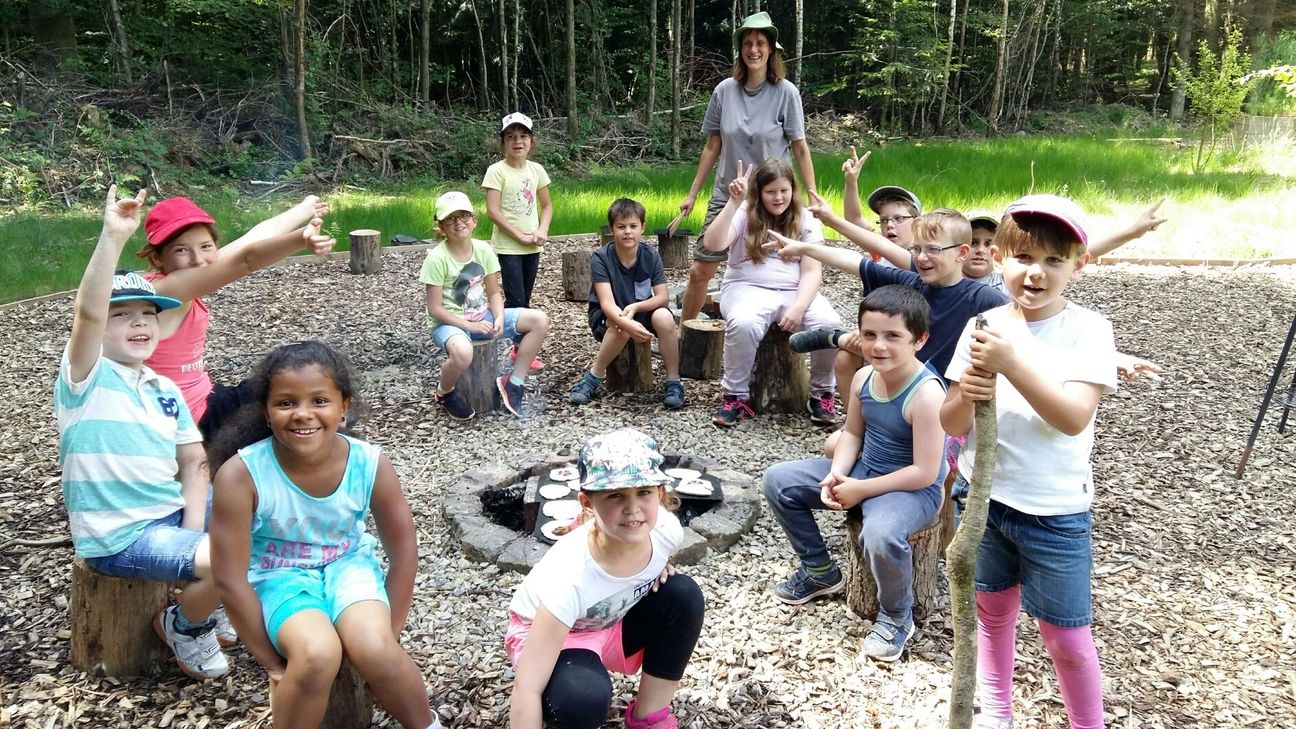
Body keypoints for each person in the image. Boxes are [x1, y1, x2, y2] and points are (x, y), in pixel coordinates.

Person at [940, 195, 1117, 729]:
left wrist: (1013, 364)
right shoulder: (984, 325)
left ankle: (1088, 723)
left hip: (1054, 511)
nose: (1035, 273)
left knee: (1066, 638)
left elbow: (1071, 418)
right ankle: (997, 712)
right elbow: (952, 424)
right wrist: (967, 394)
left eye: (1053, 261)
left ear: (1078, 266)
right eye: (1021, 258)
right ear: (997, 258)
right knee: (992, 616)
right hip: (982, 501)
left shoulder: (1088, 330)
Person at [208, 341, 440, 729]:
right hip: (278, 576)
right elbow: (229, 578)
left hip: (349, 566)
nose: (303, 414)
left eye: (319, 400)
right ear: (266, 410)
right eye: (286, 403)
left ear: (343, 407)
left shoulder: (369, 463)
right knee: (316, 654)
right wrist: (270, 661)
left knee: (374, 647)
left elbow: (403, 552)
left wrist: (390, 634)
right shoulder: (241, 474)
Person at [55, 185, 230, 680]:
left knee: (257, 513)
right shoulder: (86, 376)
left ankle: (204, 596)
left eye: (148, 314)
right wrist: (112, 237)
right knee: (231, 557)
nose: (139, 324)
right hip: (121, 537)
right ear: (101, 328)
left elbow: (194, 465)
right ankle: (185, 624)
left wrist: (192, 533)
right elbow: (87, 311)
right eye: (122, 315)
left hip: (169, 513)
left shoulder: (162, 387)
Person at [762, 286, 946, 662]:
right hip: (865, 472)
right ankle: (819, 570)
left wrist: (861, 489)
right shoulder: (864, 378)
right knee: (779, 480)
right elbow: (852, 433)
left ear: (920, 339)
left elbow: (926, 472)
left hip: (911, 489)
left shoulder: (926, 395)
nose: (878, 346)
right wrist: (837, 474)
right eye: (870, 334)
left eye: (893, 336)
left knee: (879, 534)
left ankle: (897, 614)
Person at [506, 428, 705, 729]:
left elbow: (661, 549)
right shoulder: (571, 576)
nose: (633, 509)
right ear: (588, 503)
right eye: (615, 495)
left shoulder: (666, 531)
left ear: (660, 495)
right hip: (555, 636)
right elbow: (527, 687)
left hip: (611, 621)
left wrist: (658, 565)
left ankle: (649, 717)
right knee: (581, 699)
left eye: (644, 492)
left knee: (683, 594)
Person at [138, 194, 335, 442]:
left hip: (205, 400)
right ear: (157, 258)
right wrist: (299, 240)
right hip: (191, 420)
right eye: (181, 250)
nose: (198, 259)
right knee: (302, 396)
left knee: (304, 388)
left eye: (206, 246)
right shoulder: (165, 292)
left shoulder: (190, 272)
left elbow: (253, 239)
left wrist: (304, 209)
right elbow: (246, 260)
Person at [677, 10, 817, 326]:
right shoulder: (724, 90)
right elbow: (712, 146)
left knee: (773, 273)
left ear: (771, 50)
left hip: (771, 199)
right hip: (728, 196)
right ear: (741, 49)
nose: (754, 50)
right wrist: (692, 193)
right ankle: (684, 335)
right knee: (701, 270)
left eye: (760, 44)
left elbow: (800, 148)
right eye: (748, 43)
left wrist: (812, 195)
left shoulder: (786, 93)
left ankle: (767, 339)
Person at [702, 158, 842, 427]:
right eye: (770, 192)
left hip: (795, 290)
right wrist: (733, 202)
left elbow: (812, 272)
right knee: (744, 323)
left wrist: (799, 307)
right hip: (747, 288)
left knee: (829, 324)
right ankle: (734, 396)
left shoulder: (805, 218)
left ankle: (822, 393)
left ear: (792, 189)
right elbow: (713, 243)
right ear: (760, 192)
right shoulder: (745, 212)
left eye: (784, 190)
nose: (778, 198)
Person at [420, 191, 550, 419]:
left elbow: (493, 291)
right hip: (450, 324)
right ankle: (444, 392)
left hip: (483, 316)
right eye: (450, 219)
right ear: (441, 226)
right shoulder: (437, 258)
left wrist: (498, 317)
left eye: (463, 216)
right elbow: (435, 309)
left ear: (474, 219)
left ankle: (514, 382)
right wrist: (469, 327)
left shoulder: (483, 250)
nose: (458, 223)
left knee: (539, 320)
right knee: (463, 352)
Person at [569, 199, 685, 409]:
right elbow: (607, 304)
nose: (627, 232)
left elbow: (662, 297)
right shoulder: (601, 258)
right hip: (608, 315)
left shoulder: (651, 256)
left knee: (665, 317)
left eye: (633, 226)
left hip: (639, 309)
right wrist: (627, 322)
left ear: (643, 228)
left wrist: (636, 308)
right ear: (612, 229)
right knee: (620, 327)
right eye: (621, 227)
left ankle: (674, 381)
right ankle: (593, 377)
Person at [482, 111, 553, 371]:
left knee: (527, 295)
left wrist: (541, 229)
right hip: (508, 246)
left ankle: (518, 347)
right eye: (511, 137)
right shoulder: (496, 171)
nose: (518, 142)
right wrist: (520, 236)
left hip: (532, 245)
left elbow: (546, 205)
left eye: (523, 136)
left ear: (531, 141)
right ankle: (520, 351)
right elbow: (493, 211)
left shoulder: (537, 170)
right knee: (516, 299)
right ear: (503, 142)